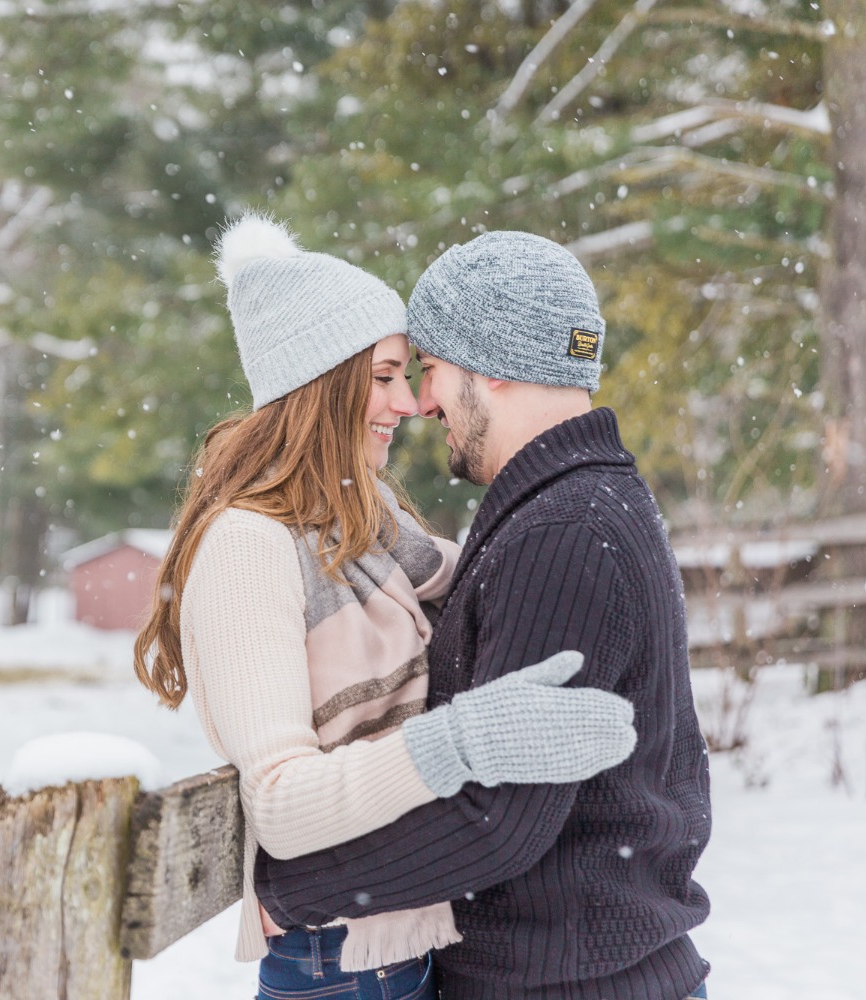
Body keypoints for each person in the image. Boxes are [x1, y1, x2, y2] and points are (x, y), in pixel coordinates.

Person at [133, 216, 638, 1000]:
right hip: (335, 964)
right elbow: (281, 805)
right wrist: (462, 741)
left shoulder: (361, 526)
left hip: (403, 947)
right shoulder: (247, 546)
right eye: (385, 376)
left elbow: (492, 582)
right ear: (321, 383)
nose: (409, 402)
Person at [252, 231, 713, 1000]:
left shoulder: (567, 529)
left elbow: (499, 819)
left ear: (491, 366)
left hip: (567, 985)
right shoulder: (582, 505)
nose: (423, 402)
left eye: (431, 370)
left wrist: (295, 892)